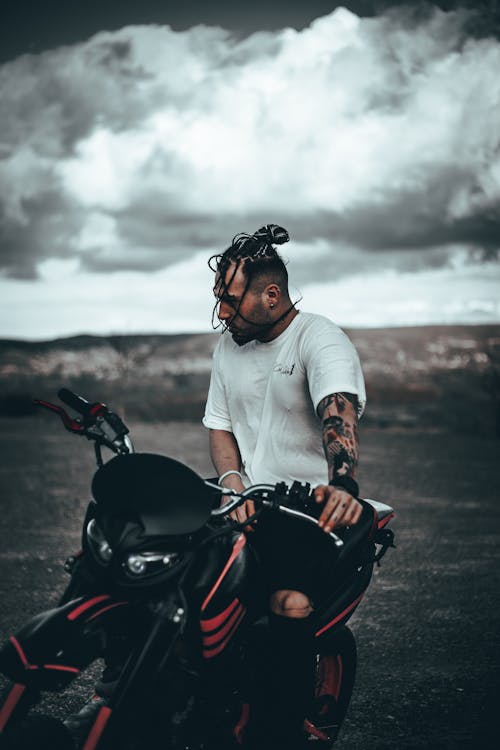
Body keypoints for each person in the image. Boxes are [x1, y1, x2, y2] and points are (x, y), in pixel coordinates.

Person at [202, 223, 366, 749]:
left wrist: (343, 482)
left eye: (231, 300)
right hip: (244, 501)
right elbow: (219, 425)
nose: (223, 313)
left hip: (306, 507)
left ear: (271, 294)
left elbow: (336, 413)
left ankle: (282, 732)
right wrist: (231, 481)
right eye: (219, 301)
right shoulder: (228, 348)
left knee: (287, 602)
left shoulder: (319, 337)